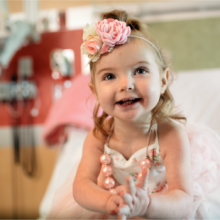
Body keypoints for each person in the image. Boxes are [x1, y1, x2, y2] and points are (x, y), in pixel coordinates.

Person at [47, 10, 220, 219]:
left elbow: (183, 199)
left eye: (139, 71)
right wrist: (109, 201)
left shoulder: (170, 136)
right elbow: (81, 187)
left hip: (160, 209)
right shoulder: (99, 137)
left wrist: (146, 204)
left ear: (163, 81)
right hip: (114, 207)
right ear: (95, 92)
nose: (126, 84)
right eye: (109, 76)